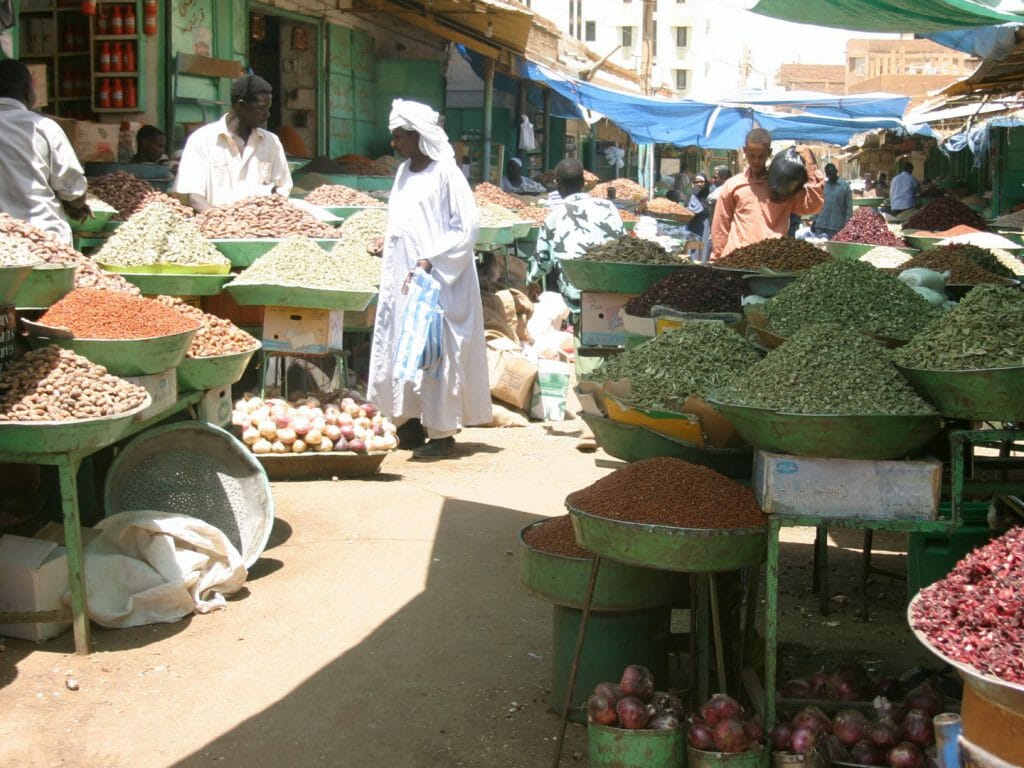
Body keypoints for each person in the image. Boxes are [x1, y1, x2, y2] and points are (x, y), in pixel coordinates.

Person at [366, 99, 491, 461]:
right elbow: (404, 220)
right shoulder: (403, 172)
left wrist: (431, 259)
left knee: (437, 353)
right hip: (404, 278)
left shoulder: (447, 174)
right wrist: (387, 239)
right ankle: (409, 422)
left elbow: (465, 228)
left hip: (439, 281)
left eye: (399, 136)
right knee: (404, 347)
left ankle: (442, 431)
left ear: (418, 135)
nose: (394, 144)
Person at [0, 59, 89, 245]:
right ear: (27, 91)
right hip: (44, 240)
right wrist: (76, 205)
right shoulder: (44, 127)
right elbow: (74, 191)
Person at [173, 74, 292, 212]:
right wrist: (223, 220)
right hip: (215, 223)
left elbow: (281, 190)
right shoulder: (202, 140)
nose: (268, 115)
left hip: (262, 224)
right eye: (262, 108)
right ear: (241, 106)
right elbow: (195, 197)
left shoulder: (271, 142)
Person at [530, 158, 624, 321]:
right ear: (583, 182)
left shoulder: (554, 217)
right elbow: (625, 244)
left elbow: (542, 263)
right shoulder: (608, 207)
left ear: (558, 186)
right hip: (612, 289)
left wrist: (531, 281)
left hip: (576, 298)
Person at [710, 128, 824, 260]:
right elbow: (720, 226)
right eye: (752, 155)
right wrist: (717, 258)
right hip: (737, 260)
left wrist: (810, 165)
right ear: (745, 151)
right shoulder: (733, 185)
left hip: (771, 261)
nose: (756, 161)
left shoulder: (782, 185)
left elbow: (813, 206)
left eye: (761, 156)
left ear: (769, 153)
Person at [813, 163, 853, 239]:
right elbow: (818, 204)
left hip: (836, 227)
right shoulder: (824, 186)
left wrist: (848, 225)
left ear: (836, 171)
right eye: (828, 174)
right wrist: (814, 221)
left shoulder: (845, 186)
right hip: (821, 225)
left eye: (831, 173)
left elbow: (849, 208)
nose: (830, 176)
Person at [686, 173, 711, 243]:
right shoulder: (692, 193)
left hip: (703, 221)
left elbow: (702, 208)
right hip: (692, 222)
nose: (699, 184)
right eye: (696, 182)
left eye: (701, 182)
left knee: (702, 242)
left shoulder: (708, 194)